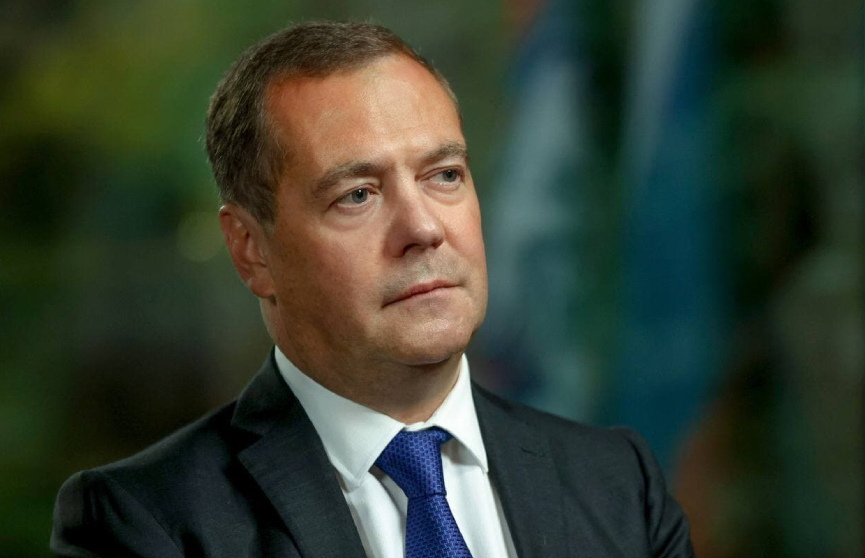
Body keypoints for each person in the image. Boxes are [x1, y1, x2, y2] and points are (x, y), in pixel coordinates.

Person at [51, 21, 696, 558]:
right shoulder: (143, 524)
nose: (423, 229)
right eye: (357, 195)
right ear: (251, 250)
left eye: (444, 175)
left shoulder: (619, 483)